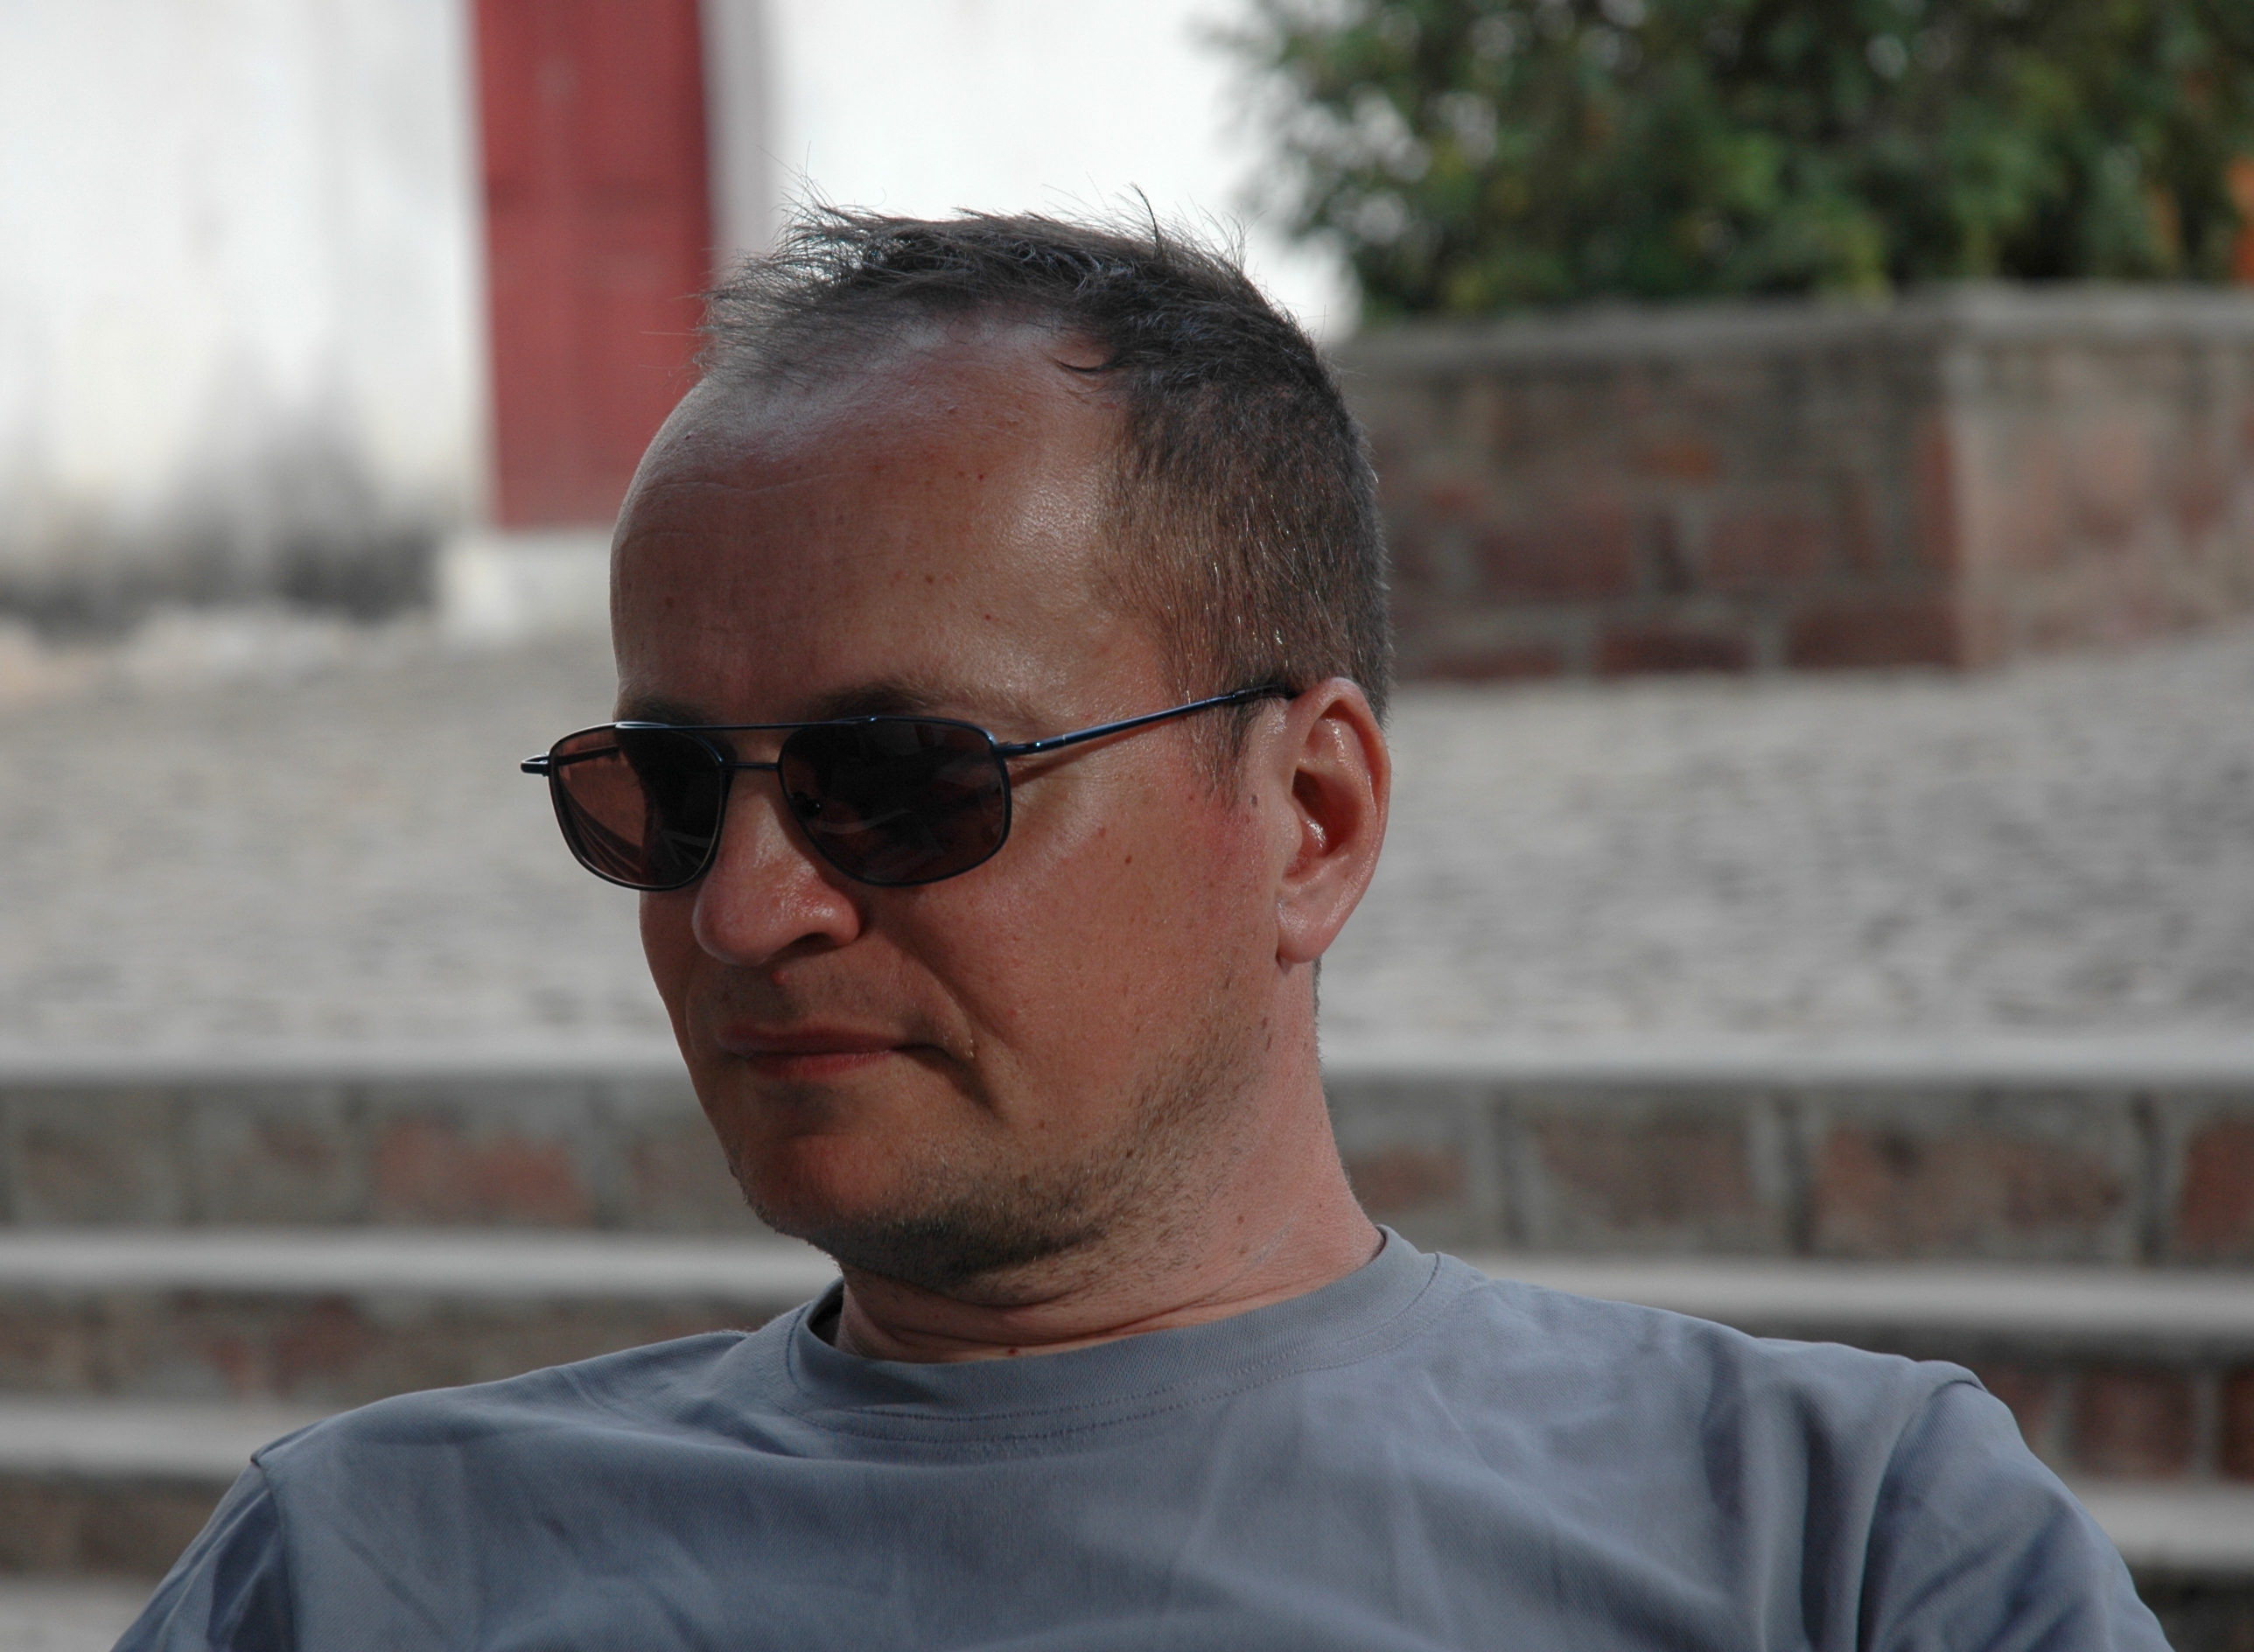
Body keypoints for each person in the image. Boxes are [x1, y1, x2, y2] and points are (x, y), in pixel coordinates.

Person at [122, 209, 2166, 1650]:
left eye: (902, 780)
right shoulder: (364, 1566)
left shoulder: (1845, 1546)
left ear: (1310, 817)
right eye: (657, 789)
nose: (743, 906)